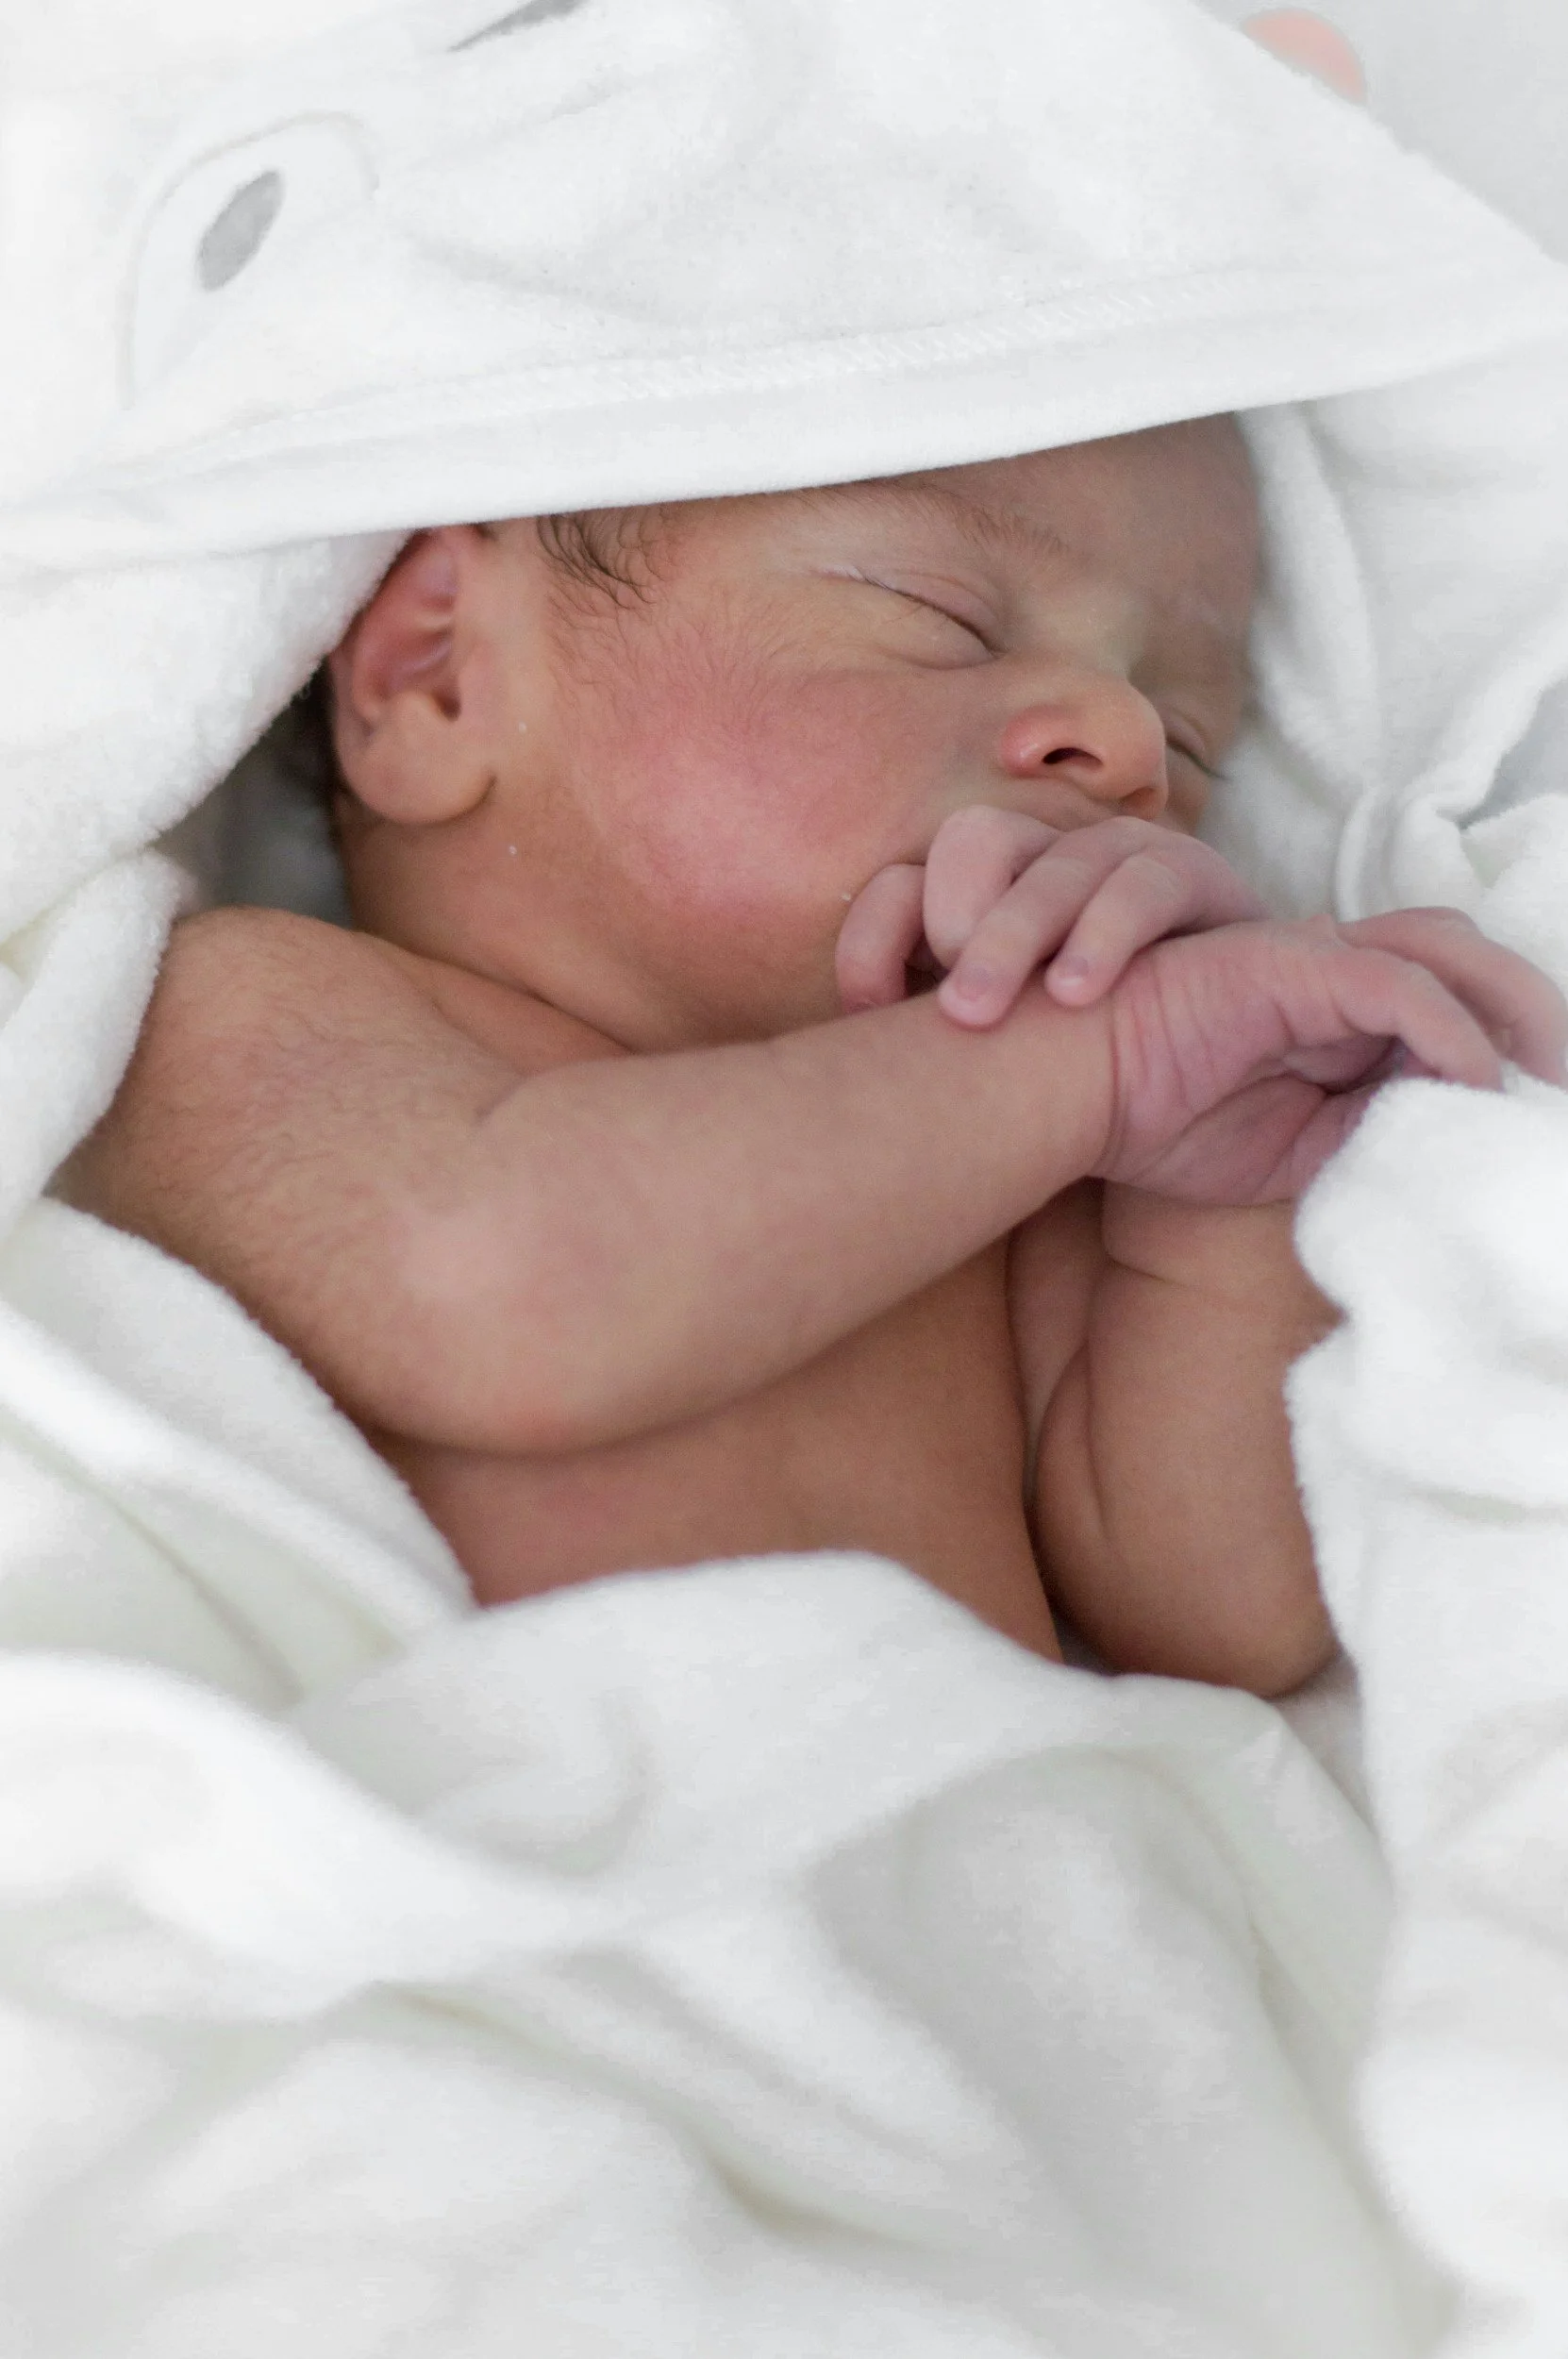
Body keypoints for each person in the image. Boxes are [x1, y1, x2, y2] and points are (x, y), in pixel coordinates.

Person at [60, 417, 1568, 1693]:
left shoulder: (1012, 1177)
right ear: (441, 671)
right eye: (940, 616)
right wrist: (1103, 1065)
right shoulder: (256, 1006)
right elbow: (501, 1295)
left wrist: (1224, 1176)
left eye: (1186, 743)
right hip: (508, 1874)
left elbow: (1218, 1619)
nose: (1119, 746)